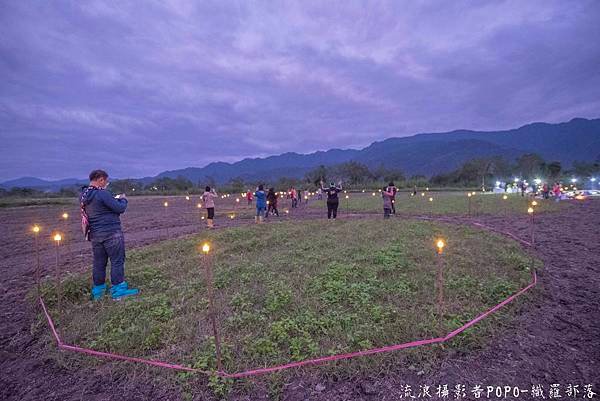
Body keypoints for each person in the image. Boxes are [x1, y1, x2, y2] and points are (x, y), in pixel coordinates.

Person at [80, 169, 139, 300]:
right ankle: (118, 290)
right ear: (100, 179)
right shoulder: (102, 194)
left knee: (99, 263)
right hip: (111, 233)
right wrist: (123, 200)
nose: (106, 184)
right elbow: (119, 208)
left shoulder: (84, 195)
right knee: (117, 261)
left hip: (95, 235)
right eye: (106, 181)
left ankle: (98, 292)